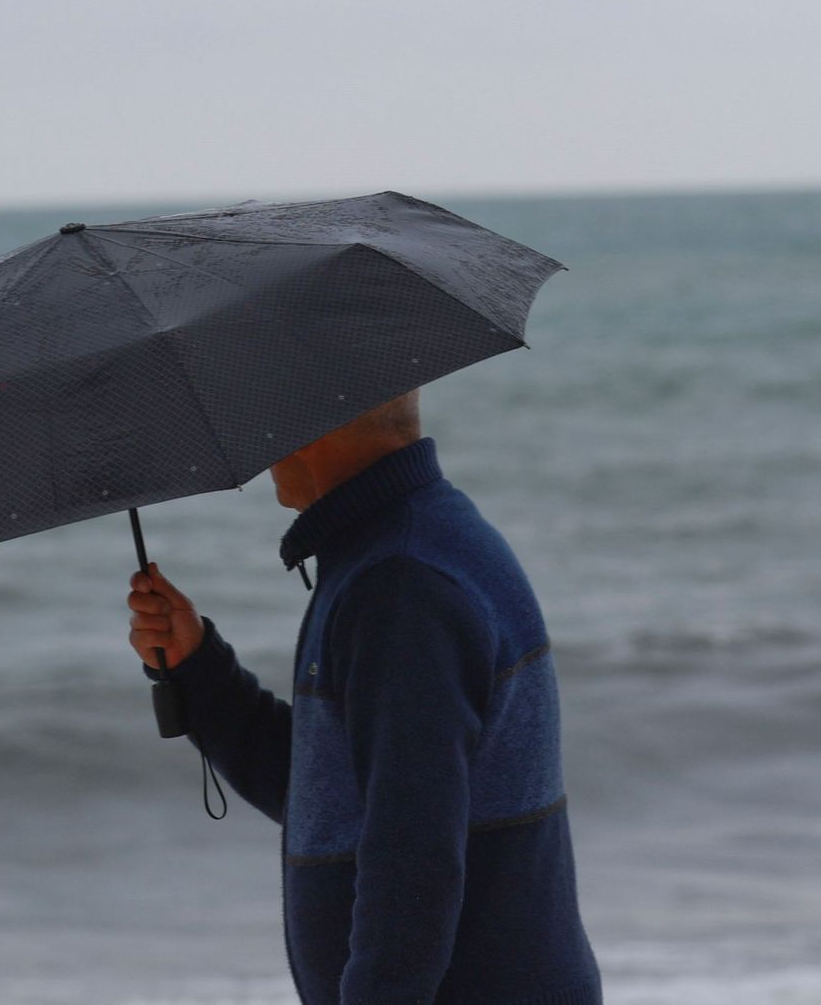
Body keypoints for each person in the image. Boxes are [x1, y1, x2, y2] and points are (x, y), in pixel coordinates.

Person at [125, 389, 602, 1005]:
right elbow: (339, 800)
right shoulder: (422, 536)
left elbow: (412, 861)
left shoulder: (398, 588)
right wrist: (199, 670)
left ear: (304, 423)